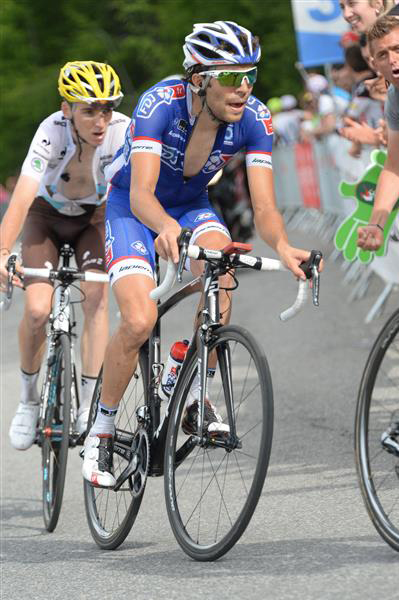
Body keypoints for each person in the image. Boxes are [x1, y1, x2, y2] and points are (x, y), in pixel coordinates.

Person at [82, 20, 320, 487]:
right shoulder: (160, 104)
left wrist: (286, 246)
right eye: (230, 77)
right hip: (134, 207)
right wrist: (165, 227)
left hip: (192, 206)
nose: (244, 88)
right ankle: (102, 431)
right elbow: (142, 196)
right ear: (198, 78)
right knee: (137, 320)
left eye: (250, 75)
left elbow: (265, 206)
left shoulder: (254, 118)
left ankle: (190, 391)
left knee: (222, 269)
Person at [1, 61, 130, 449]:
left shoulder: (124, 131)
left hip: (95, 218)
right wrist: (4, 250)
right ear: (66, 109)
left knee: (96, 297)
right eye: (89, 109)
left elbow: (142, 189)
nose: (100, 120)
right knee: (38, 309)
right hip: (46, 218)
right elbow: (22, 197)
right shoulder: (49, 132)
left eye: (106, 109)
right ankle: (28, 399)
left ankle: (88, 405)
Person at [357, 15, 399, 250]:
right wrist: (376, 224)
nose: (393, 60)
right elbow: (394, 167)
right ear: (374, 63)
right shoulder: (394, 98)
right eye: (383, 54)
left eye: (397, 49)